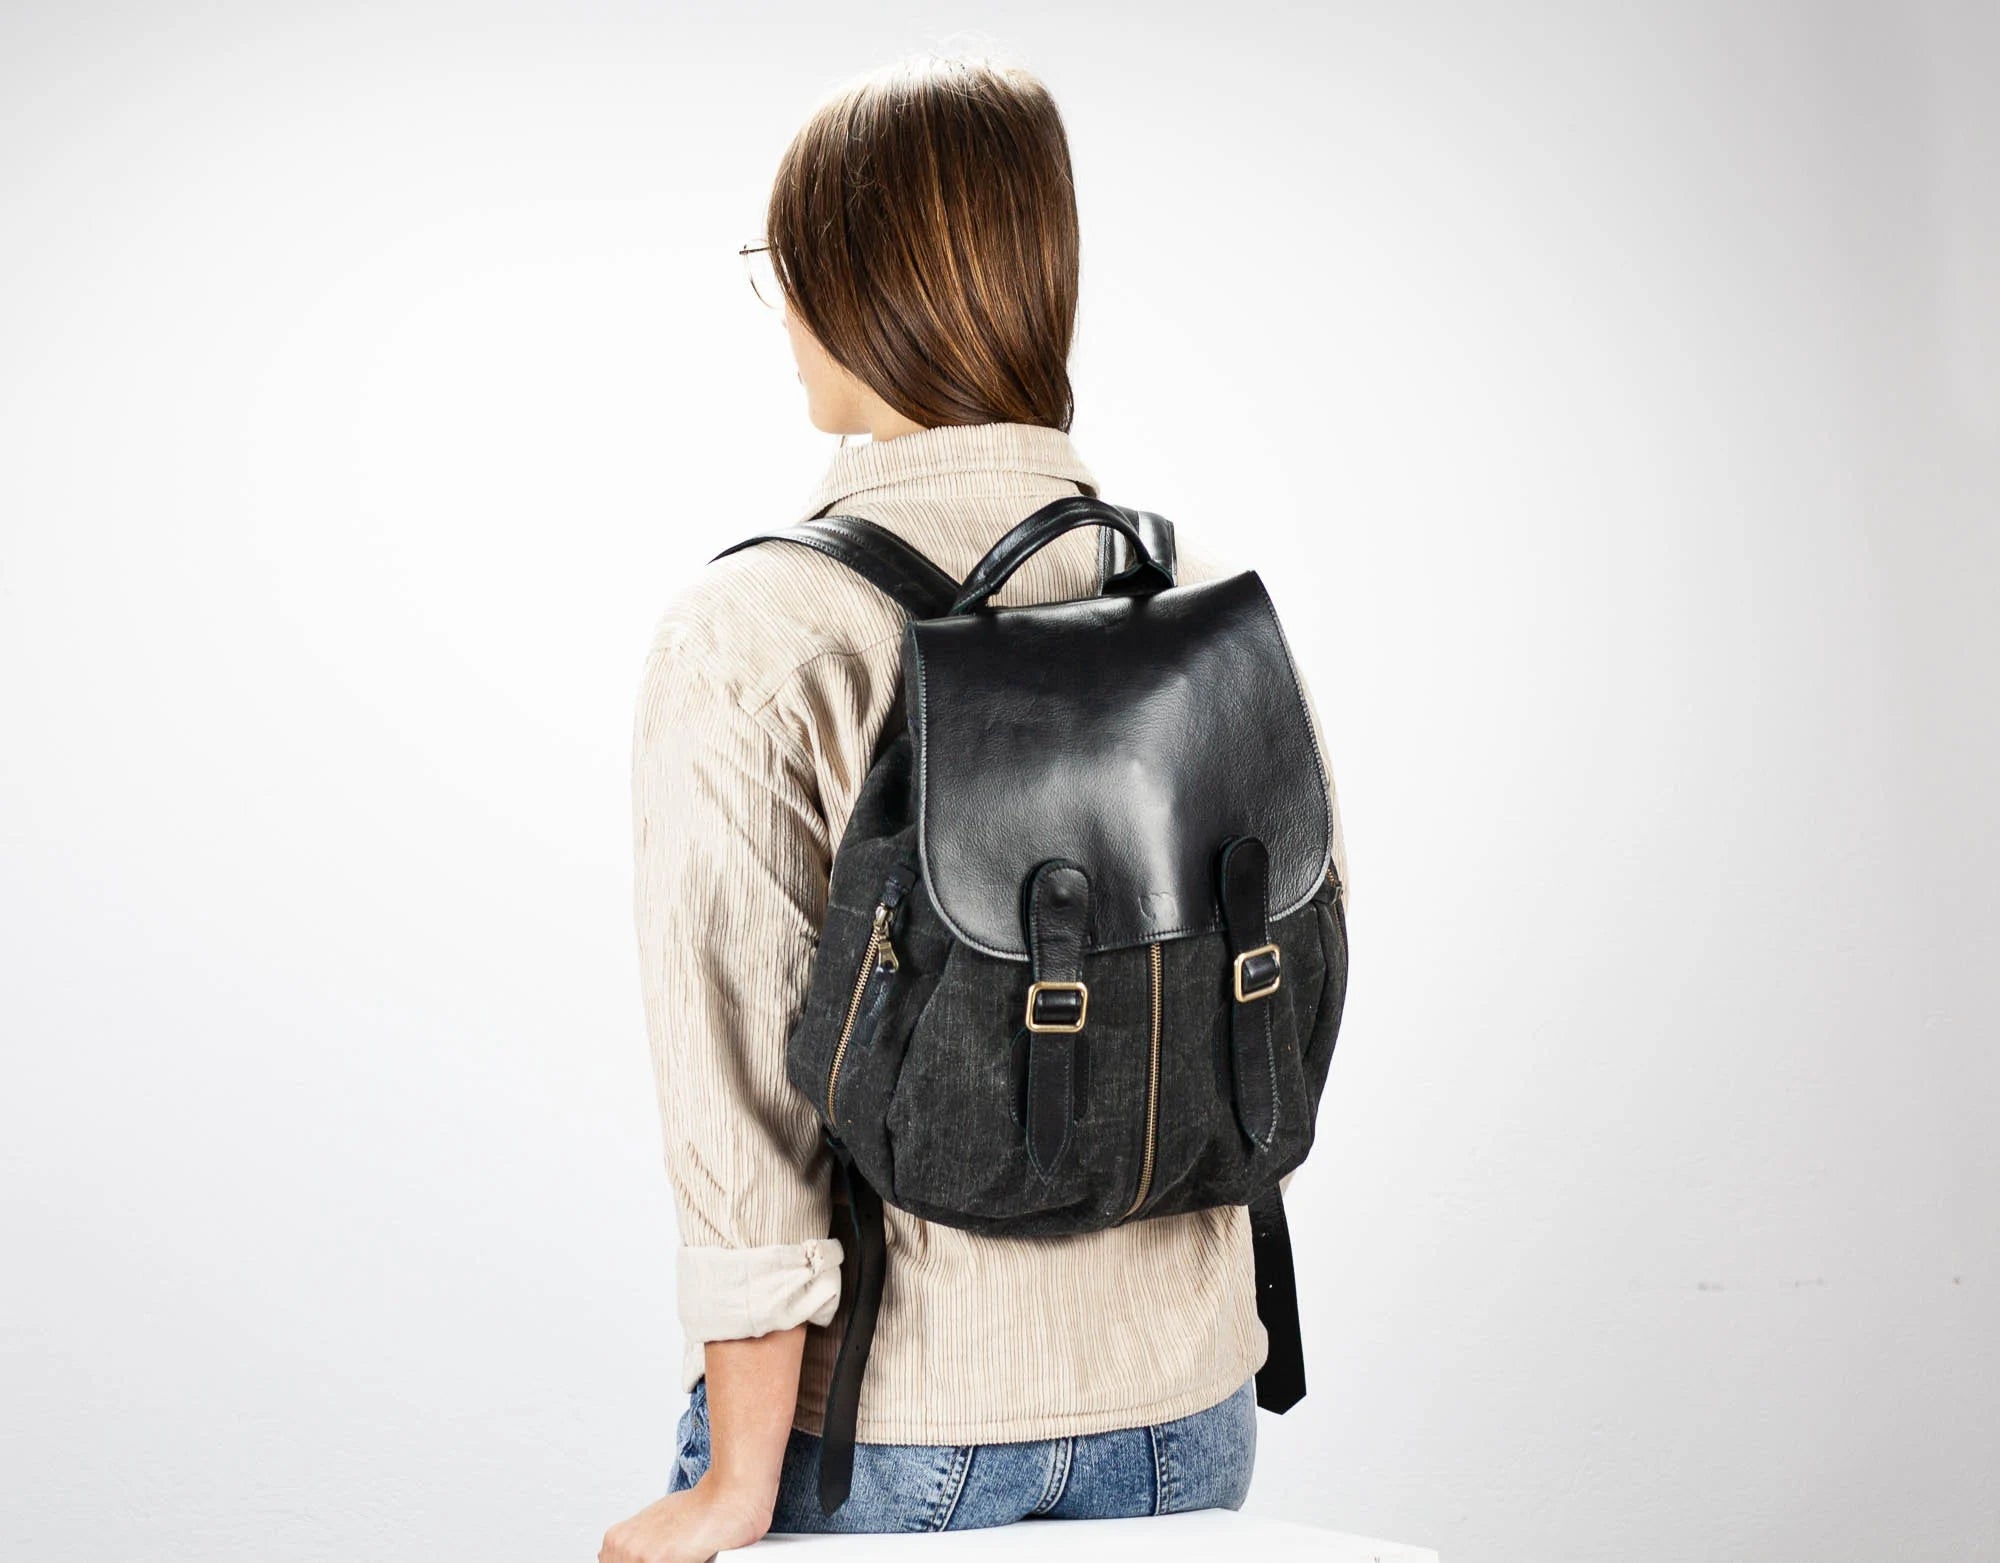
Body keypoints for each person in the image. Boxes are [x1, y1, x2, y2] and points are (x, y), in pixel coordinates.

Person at [602, 52, 1352, 1561]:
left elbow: (739, 1087)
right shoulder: (1203, 603)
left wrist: (734, 1484)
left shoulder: (753, 629)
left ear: (846, 281)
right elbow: (1277, 972)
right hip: (1191, 1415)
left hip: (895, 1423)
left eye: (786, 266)